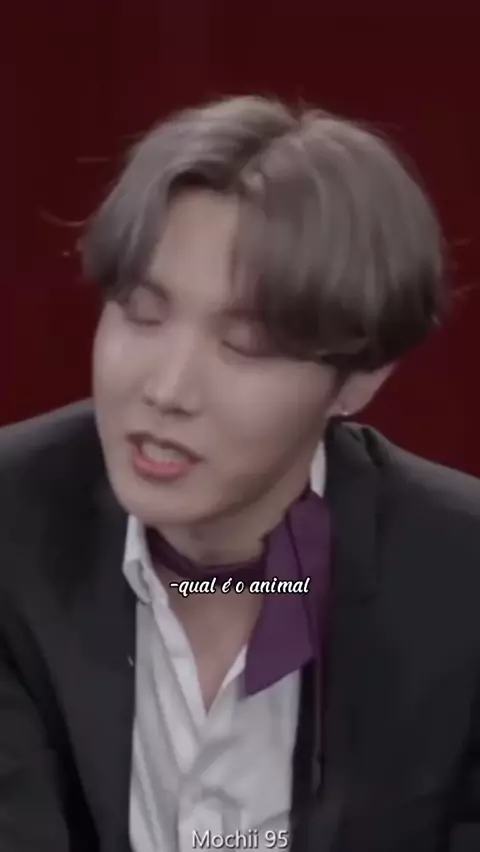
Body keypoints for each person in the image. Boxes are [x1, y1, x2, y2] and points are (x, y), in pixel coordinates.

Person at [1, 95, 480, 852]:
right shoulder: (12, 532)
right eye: (142, 313)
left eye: (246, 346)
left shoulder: (460, 580)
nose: (167, 390)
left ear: (359, 379)